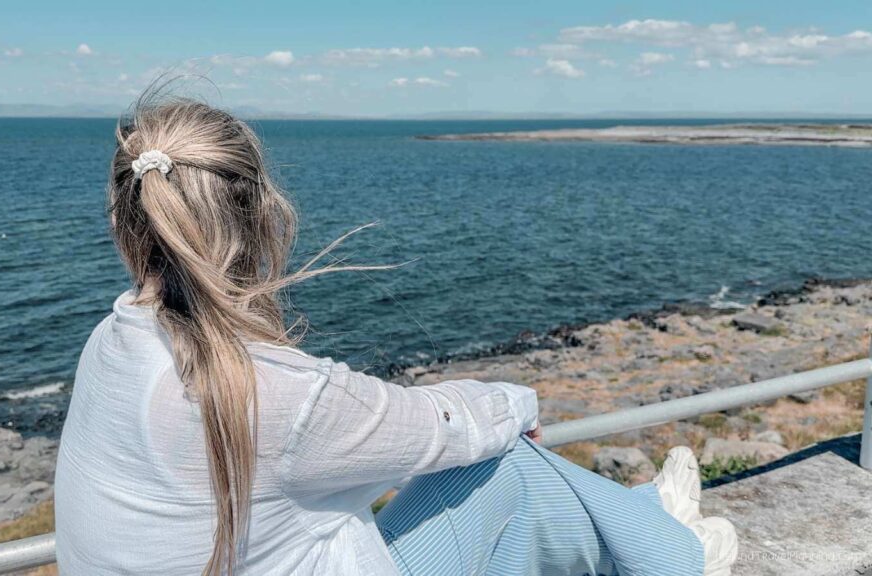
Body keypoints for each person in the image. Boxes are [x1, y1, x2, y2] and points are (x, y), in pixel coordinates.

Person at [54, 89, 738, 576]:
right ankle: (673, 551)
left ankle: (646, 515)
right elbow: (442, 425)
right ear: (263, 216)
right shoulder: (272, 394)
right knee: (502, 466)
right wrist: (520, 403)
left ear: (124, 221)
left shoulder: (109, 346)